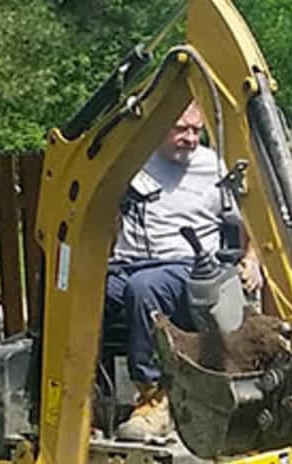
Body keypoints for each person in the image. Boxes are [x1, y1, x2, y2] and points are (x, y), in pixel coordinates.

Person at [103, 100, 260, 443]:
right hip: (127, 263)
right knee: (78, 296)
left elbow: (254, 220)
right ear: (158, 127)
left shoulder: (214, 167)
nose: (190, 138)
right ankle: (84, 399)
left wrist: (252, 258)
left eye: (196, 129)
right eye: (181, 129)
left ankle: (154, 399)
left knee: (145, 288)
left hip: (186, 267)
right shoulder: (131, 164)